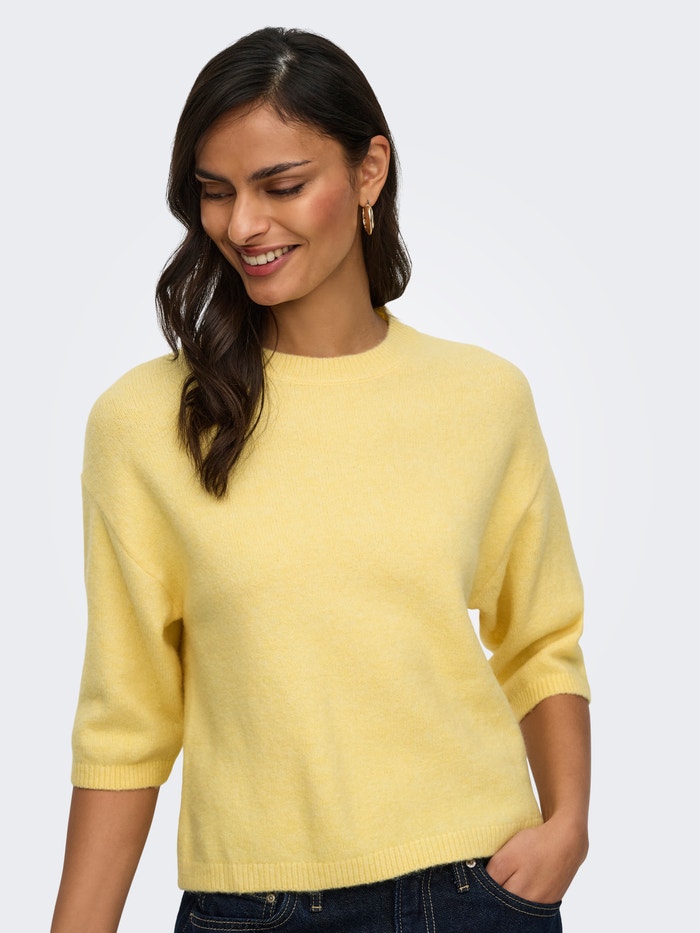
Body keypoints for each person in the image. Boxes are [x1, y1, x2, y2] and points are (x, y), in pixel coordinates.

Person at [51, 26, 591, 933]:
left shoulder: (484, 397)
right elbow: (126, 716)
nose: (243, 225)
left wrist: (569, 823)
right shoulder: (144, 423)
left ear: (369, 171)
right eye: (216, 192)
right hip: (252, 906)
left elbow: (540, 638)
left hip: (473, 891)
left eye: (282, 185)